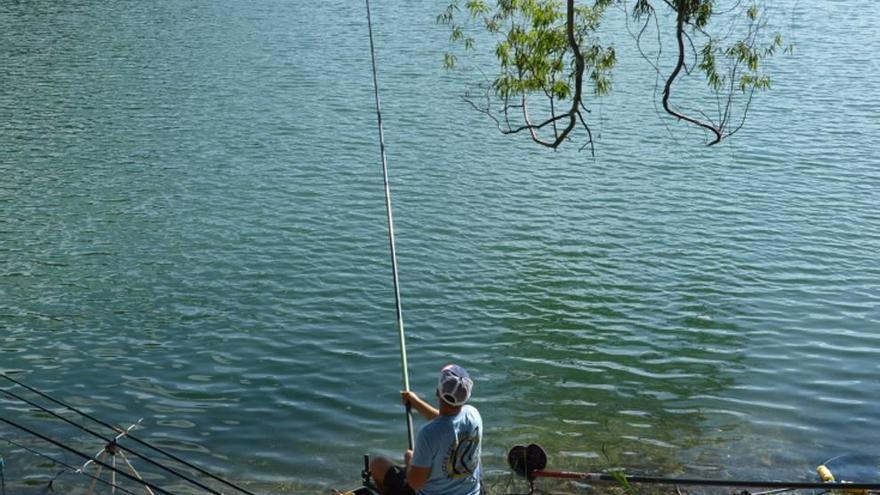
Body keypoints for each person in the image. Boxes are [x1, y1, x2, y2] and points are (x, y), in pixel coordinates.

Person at [369, 364, 482, 495]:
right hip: (473, 492)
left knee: (377, 465)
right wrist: (415, 402)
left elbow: (415, 483)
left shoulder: (428, 434)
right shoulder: (473, 415)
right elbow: (447, 421)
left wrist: (410, 462)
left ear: (437, 392)